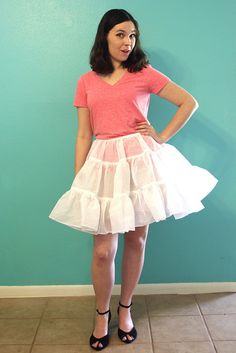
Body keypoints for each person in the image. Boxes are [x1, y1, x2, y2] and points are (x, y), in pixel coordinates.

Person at [48, 8, 218, 351]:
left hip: (141, 161)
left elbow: (188, 102)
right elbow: (84, 135)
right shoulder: (86, 81)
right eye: (121, 34)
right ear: (105, 37)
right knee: (102, 250)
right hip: (104, 162)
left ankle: (125, 309)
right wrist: (79, 178)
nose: (129, 42)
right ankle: (101, 313)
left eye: (133, 35)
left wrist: (161, 136)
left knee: (137, 240)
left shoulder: (143, 72)